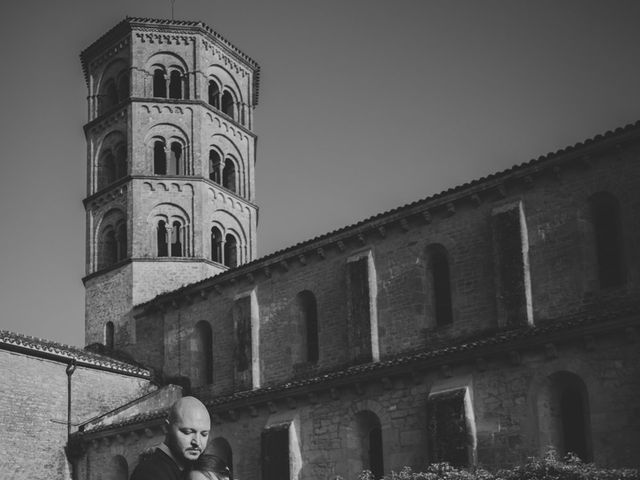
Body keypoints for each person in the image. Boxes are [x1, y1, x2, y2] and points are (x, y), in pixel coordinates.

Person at [130, 396, 211, 480]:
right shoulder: (148, 473)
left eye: (204, 434)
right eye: (187, 432)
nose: (197, 442)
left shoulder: (194, 468)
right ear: (166, 428)